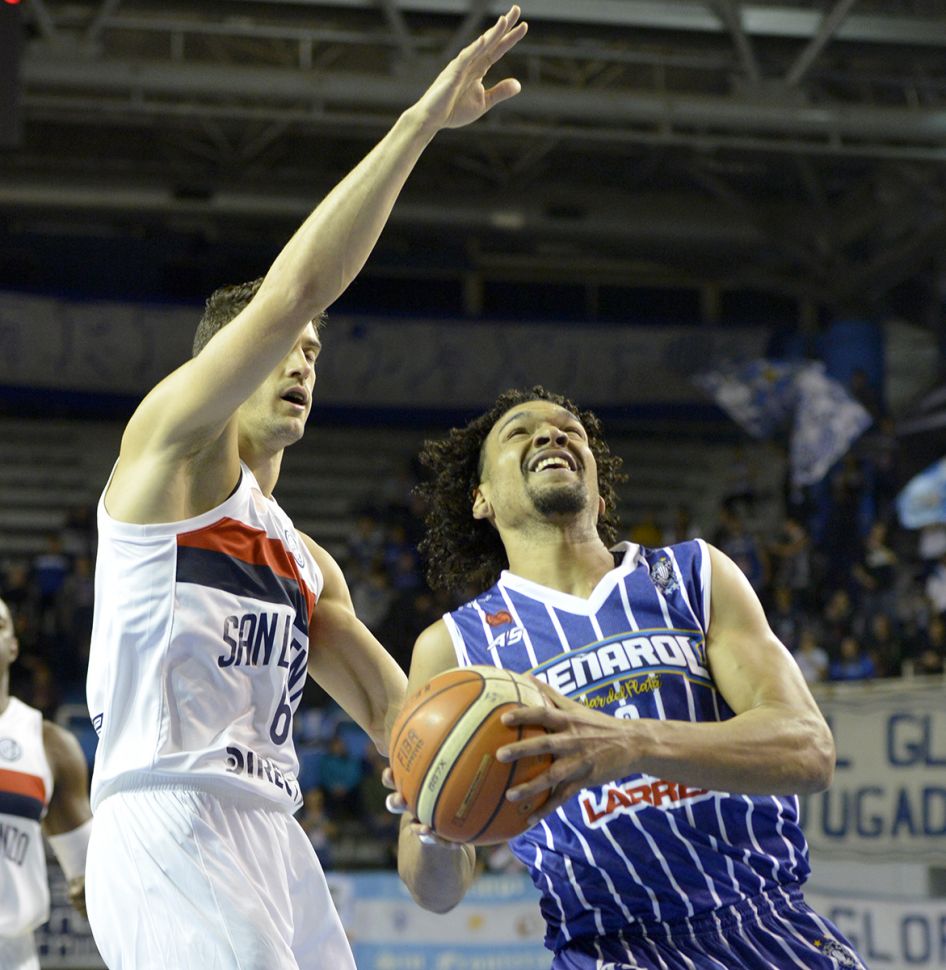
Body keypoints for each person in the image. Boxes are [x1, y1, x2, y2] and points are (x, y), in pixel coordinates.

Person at [83, 10, 528, 969]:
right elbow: (297, 290)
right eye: (286, 346)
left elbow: (402, 723)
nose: (303, 358)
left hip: (274, 836)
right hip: (167, 812)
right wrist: (421, 122)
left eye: (315, 352)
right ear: (227, 365)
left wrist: (470, 777)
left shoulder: (307, 563)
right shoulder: (168, 457)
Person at [389, 386, 865, 969]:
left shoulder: (694, 575)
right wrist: (436, 825)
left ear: (597, 483)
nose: (552, 434)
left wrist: (631, 743)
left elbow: (809, 749)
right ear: (481, 499)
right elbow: (436, 892)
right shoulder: (454, 647)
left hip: (768, 924)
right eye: (520, 432)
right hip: (613, 950)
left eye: (571, 431)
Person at [0, 597, 93, 970]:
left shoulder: (48, 743)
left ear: (13, 646)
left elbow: (89, 879)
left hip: (12, 954)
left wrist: (94, 885)